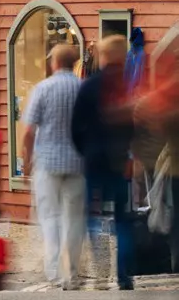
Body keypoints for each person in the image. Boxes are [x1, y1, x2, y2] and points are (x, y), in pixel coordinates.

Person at [74, 34, 136, 291]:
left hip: (94, 162)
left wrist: (85, 151)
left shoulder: (89, 86)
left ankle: (101, 271)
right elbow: (133, 126)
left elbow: (76, 126)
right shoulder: (125, 86)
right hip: (119, 162)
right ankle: (124, 276)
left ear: (104, 55)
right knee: (122, 220)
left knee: (94, 216)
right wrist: (130, 156)